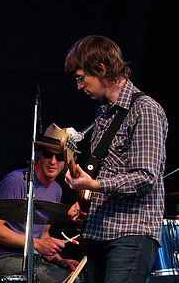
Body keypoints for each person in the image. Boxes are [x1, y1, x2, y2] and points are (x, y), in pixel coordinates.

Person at [64, 35, 168, 283]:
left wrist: (94, 185)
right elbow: (108, 171)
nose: (79, 86)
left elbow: (145, 177)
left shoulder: (145, 110)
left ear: (101, 68)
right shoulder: (103, 114)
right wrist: (85, 201)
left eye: (81, 78)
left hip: (131, 234)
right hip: (100, 232)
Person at [0, 125, 80, 283]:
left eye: (60, 157)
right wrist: (37, 244)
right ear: (40, 154)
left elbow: (43, 235)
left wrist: (60, 261)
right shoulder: (16, 181)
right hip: (3, 258)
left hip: (34, 259)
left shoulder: (56, 190)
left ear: (67, 161)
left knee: (74, 278)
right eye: (48, 155)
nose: (53, 161)